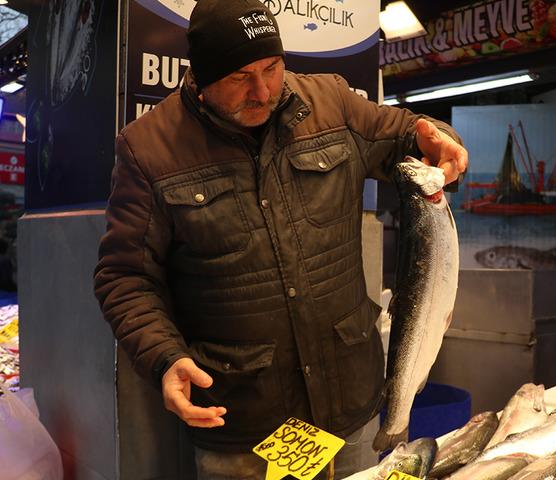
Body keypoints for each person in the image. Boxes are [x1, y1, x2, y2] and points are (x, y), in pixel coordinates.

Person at [92, 0, 467, 478]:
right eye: (239, 77)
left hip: (349, 407)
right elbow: (125, 278)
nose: (262, 90)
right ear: (202, 80)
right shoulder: (148, 150)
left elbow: (404, 136)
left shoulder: (331, 103)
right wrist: (165, 358)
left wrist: (437, 138)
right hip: (244, 427)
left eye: (272, 68)